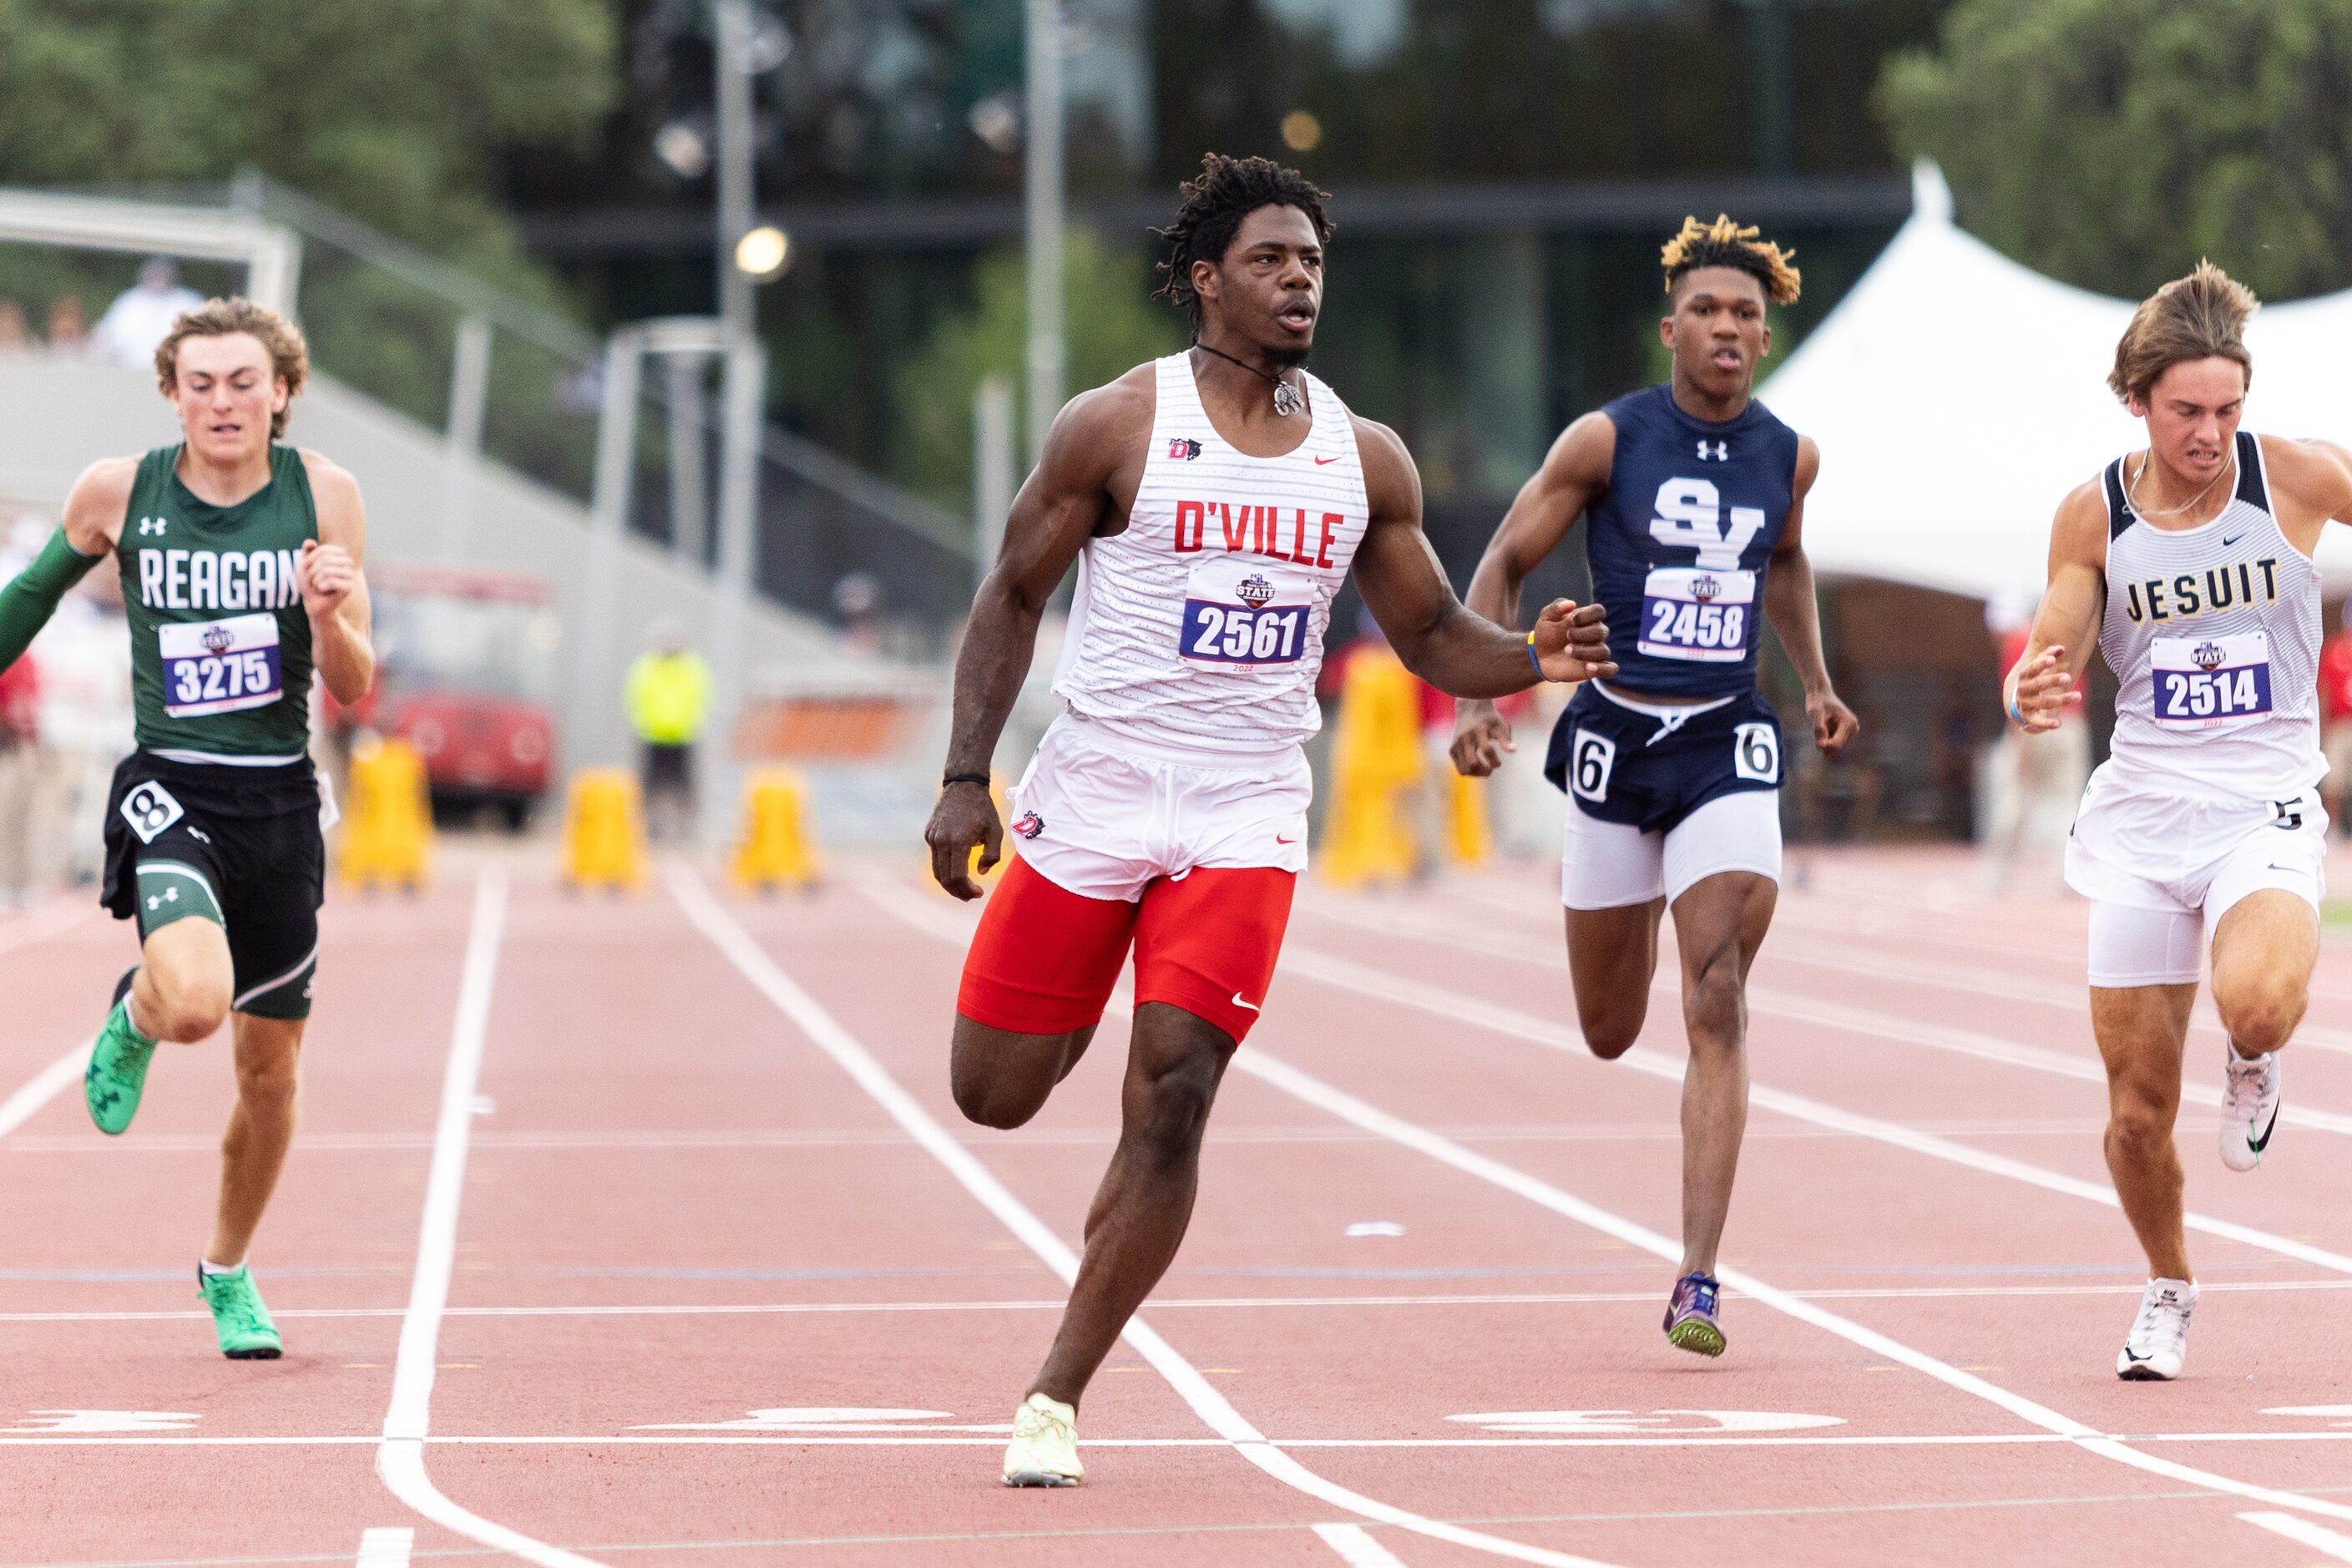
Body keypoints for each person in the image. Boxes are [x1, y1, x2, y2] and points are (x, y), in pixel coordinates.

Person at [922, 153, 1614, 1488]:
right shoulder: (1117, 425)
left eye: (1310, 263)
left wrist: (1532, 655)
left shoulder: (1363, 457)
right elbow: (1012, 594)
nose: (1299, 282)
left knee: (1174, 1090)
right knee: (993, 1093)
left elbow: (1427, 633)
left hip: (1246, 806)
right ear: (1205, 281)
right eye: (1269, 261)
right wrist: (966, 775)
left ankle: (1054, 1393)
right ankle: (1067, 1011)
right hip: (1101, 786)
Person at [1450, 215, 1858, 1359]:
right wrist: (1487, 694)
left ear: (1764, 339)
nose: (1728, 330)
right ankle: (1619, 947)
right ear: (1670, 326)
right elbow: (1501, 562)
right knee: (1607, 1026)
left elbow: (1782, 561)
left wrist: (1814, 683)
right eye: (1709, 313)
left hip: (1727, 736)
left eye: (1748, 317)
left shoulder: (1790, 452)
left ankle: (1698, 1277)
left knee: (1716, 991)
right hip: (1613, 739)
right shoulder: (1605, 440)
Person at [0, 296, 375, 1359]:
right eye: (201, 383)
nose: (222, 402)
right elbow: (28, 596)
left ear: (281, 393)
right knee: (198, 1003)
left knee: (271, 1076)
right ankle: (140, 1015)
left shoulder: (326, 497)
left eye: (243, 382)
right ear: (171, 393)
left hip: (281, 806)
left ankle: (227, 1272)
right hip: (171, 788)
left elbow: (354, 684)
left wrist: (328, 615)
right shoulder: (120, 492)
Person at [2008, 263, 2346, 1381]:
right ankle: (2168, 1284)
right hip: (2145, 814)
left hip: (2262, 800)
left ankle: (2252, 1057)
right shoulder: (2092, 510)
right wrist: (2033, 681)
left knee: (2259, 998)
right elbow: (2058, 624)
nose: (2208, 433)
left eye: (2225, 410)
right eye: (2185, 411)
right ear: (2139, 401)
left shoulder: (2292, 476)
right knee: (2136, 1114)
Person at [624, 622, 712, 843]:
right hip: (652, 735)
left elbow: (702, 697)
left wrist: (693, 723)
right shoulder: (646, 667)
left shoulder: (692, 668)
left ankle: (685, 829)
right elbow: (635, 696)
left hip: (683, 735)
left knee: (683, 787)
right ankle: (650, 828)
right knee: (650, 787)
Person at [92, 259, 205, 370]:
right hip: (129, 369)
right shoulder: (129, 301)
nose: (158, 278)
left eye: (162, 274)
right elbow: (106, 336)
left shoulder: (188, 301)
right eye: (154, 274)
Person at [2317, 604, 2352, 833]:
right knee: (2334, 781)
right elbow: (2325, 690)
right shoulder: (2334, 648)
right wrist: (2323, 727)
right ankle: (2334, 830)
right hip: (2340, 724)